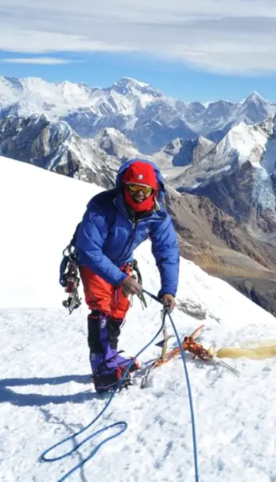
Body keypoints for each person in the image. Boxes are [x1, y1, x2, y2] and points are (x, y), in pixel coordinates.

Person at [70, 158, 180, 392]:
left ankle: (110, 356)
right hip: (94, 262)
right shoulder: (102, 206)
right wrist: (120, 279)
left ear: (154, 190)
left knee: (119, 307)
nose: (139, 195)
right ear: (123, 187)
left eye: (144, 190)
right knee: (101, 307)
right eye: (133, 188)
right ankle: (101, 369)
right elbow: (88, 249)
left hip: (120, 264)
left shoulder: (157, 215)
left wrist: (169, 290)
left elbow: (167, 251)